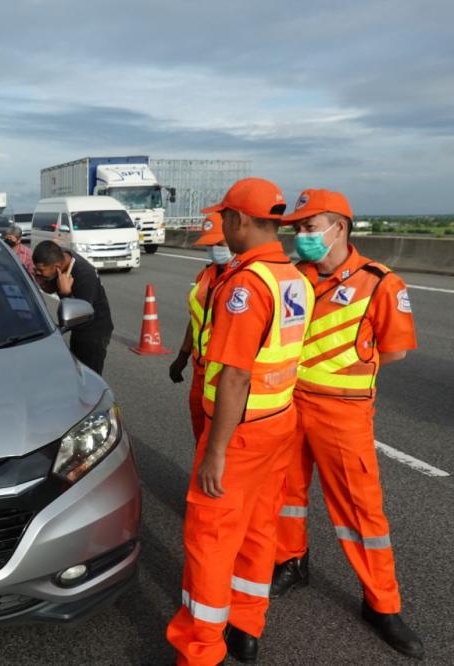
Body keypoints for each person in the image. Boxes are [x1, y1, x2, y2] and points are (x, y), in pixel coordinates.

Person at [271, 189, 423, 659]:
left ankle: (381, 603)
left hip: (343, 412)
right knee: (285, 494)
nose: (302, 236)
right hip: (289, 405)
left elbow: (394, 350)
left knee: (362, 512)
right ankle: (291, 562)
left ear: (340, 227)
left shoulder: (380, 283)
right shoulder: (292, 277)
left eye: (310, 227)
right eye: (297, 228)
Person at [166, 178, 312, 666]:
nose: (222, 227)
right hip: (279, 421)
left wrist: (215, 451)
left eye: (225, 218)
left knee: (210, 540)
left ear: (241, 220)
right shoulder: (292, 276)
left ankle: (200, 651)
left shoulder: (246, 285)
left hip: (242, 432)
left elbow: (234, 376)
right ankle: (246, 626)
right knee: (257, 529)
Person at [168, 212, 233, 441]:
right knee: (200, 434)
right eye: (209, 244)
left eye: (219, 243)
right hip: (200, 369)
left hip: (226, 376)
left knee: (218, 445)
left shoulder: (246, 278)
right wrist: (182, 357)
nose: (214, 249)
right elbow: (196, 318)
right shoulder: (206, 274)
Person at [32, 241, 113, 374]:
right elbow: (50, 286)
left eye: (41, 270)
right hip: (79, 329)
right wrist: (41, 278)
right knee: (76, 370)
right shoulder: (60, 257)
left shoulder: (84, 275)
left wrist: (66, 293)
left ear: (57, 266)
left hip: (94, 331)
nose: (38, 273)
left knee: (89, 375)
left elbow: (80, 316)